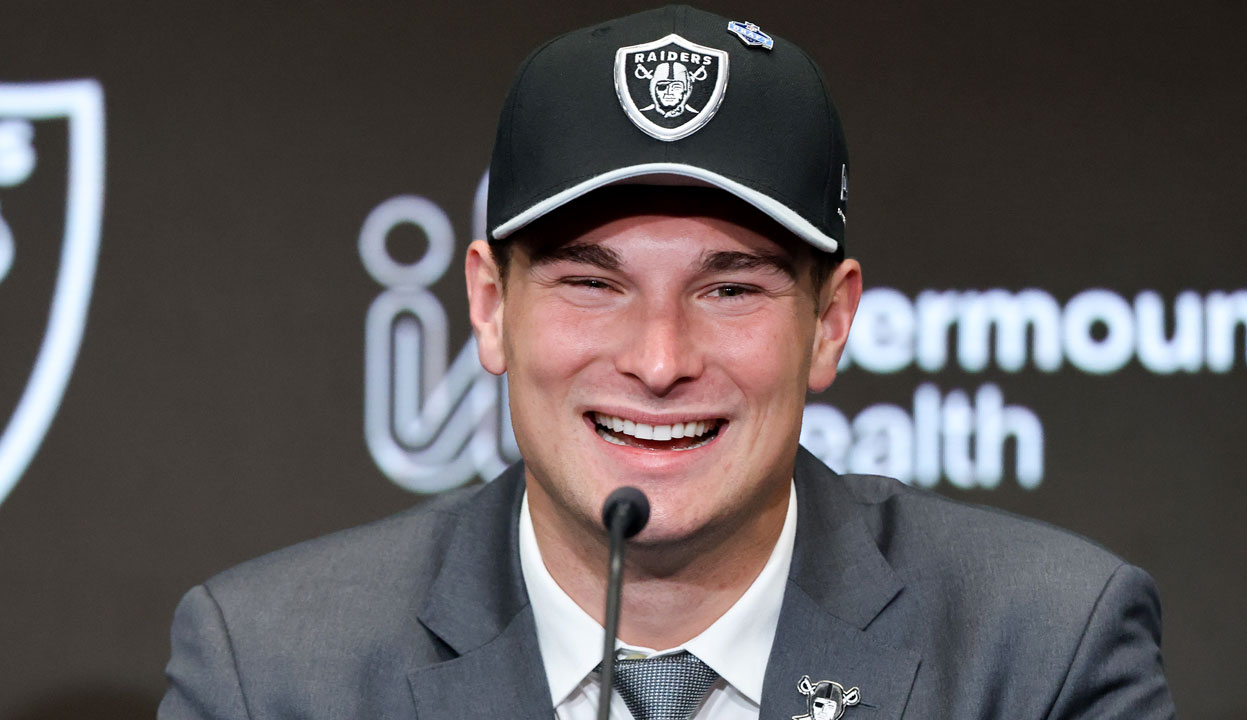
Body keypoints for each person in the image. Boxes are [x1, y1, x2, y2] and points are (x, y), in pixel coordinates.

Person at [160, 5, 1175, 719]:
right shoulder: (274, 675)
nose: (658, 360)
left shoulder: (1041, 651)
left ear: (828, 324)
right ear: (488, 305)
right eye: (590, 282)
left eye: (729, 287)